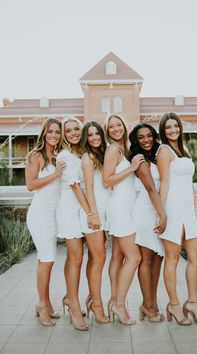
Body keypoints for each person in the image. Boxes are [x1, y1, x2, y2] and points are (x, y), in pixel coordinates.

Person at [157, 112, 197, 325]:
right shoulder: (164, 151)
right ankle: (174, 304)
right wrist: (162, 213)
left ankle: (192, 302)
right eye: (168, 127)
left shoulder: (184, 150)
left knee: (196, 255)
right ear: (163, 130)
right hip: (173, 209)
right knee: (173, 258)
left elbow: (190, 182)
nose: (172, 130)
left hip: (188, 210)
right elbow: (165, 184)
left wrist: (196, 207)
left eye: (175, 126)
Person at [103, 113, 144, 325]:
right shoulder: (112, 149)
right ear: (107, 131)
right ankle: (119, 305)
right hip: (119, 207)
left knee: (118, 257)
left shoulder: (123, 149)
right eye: (112, 127)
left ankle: (113, 300)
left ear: (124, 126)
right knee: (134, 258)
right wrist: (131, 168)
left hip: (126, 206)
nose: (116, 128)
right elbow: (106, 180)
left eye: (119, 124)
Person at [26, 117, 65, 327]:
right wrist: (56, 174)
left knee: (45, 260)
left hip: (53, 216)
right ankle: (42, 305)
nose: (54, 135)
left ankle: (46, 303)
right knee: (47, 260)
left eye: (57, 132)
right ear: (44, 133)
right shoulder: (36, 156)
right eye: (50, 131)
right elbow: (31, 185)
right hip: (40, 215)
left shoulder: (58, 156)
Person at [56, 115, 92, 331]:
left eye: (76, 129)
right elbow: (75, 186)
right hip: (71, 209)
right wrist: (90, 212)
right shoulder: (65, 155)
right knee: (77, 258)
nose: (73, 133)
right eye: (68, 130)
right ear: (63, 135)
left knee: (73, 257)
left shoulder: (83, 153)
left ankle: (69, 297)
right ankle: (75, 308)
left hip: (82, 207)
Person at [129, 123, 167, 323]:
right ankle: (148, 304)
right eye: (141, 137)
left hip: (158, 210)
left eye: (149, 136)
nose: (146, 140)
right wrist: (163, 215)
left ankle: (150, 303)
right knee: (146, 260)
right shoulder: (141, 161)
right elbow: (151, 189)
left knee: (158, 259)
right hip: (145, 212)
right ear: (136, 140)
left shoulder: (156, 155)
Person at [80, 121, 110, 324]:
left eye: (97, 133)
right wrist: (93, 213)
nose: (94, 137)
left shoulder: (103, 154)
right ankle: (97, 304)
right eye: (90, 135)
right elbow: (88, 188)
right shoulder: (88, 157)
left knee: (95, 259)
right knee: (99, 258)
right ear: (86, 138)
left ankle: (92, 297)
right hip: (93, 213)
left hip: (104, 213)